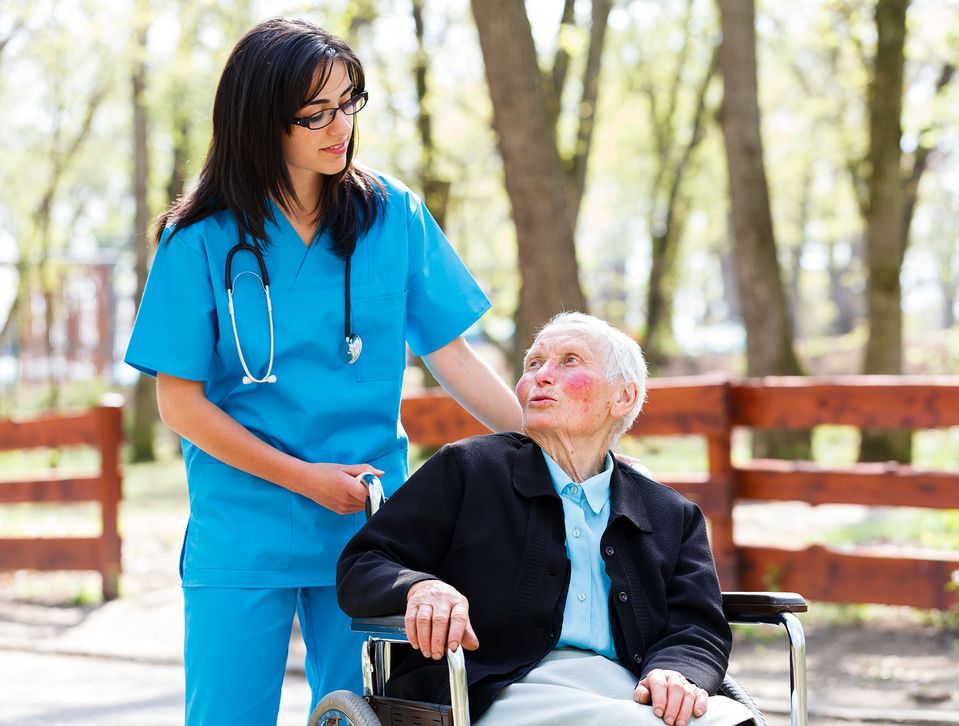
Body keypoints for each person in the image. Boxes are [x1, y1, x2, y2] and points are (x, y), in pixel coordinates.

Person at [124, 17, 521, 724]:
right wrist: (303, 479)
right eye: (315, 113)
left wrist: (554, 446)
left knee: (364, 718)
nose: (340, 126)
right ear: (259, 121)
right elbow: (180, 405)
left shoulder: (391, 215)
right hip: (243, 525)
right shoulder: (197, 241)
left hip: (370, 532)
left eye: (349, 102)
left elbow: (452, 354)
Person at [337, 312, 756, 726]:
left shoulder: (671, 515)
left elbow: (697, 624)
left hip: (629, 687)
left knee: (732, 720)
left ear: (623, 398)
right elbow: (364, 563)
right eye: (533, 363)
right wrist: (419, 587)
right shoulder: (469, 469)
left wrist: (677, 671)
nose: (540, 375)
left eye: (569, 361)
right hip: (498, 686)